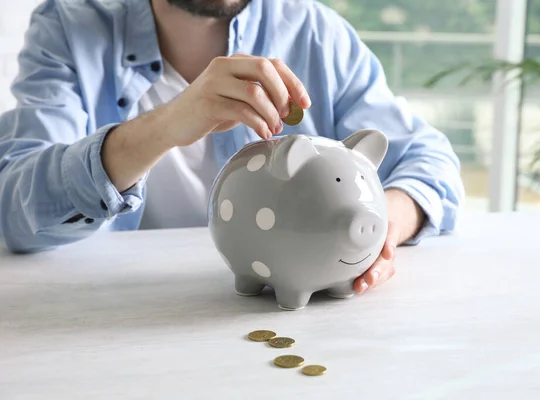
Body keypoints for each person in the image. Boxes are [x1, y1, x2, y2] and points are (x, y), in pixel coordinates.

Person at [0, 0, 464, 294]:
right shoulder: (67, 25)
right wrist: (166, 125)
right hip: (124, 314)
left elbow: (431, 162)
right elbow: (17, 209)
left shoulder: (314, 30)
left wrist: (378, 227)